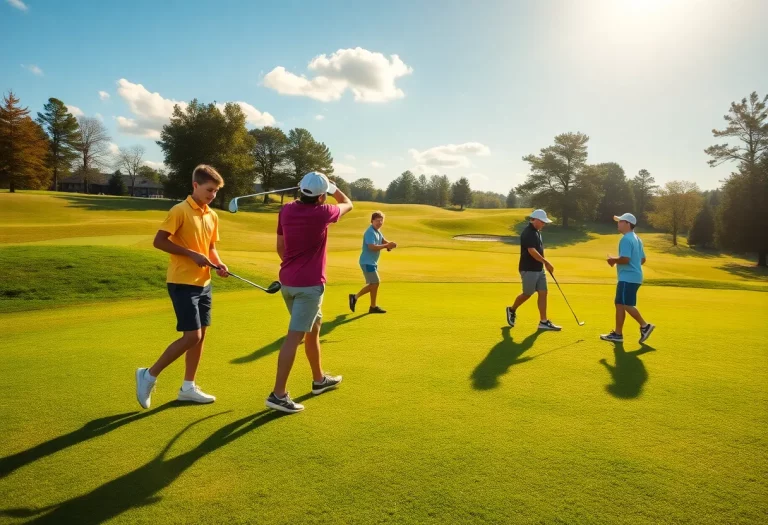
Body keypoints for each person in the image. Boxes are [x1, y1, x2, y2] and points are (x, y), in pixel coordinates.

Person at [135, 165, 229, 409]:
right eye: (209, 190)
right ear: (195, 186)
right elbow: (159, 241)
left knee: (201, 336)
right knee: (192, 337)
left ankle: (188, 387)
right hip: (182, 282)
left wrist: (218, 264)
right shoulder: (180, 210)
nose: (213, 195)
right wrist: (190, 254)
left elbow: (210, 247)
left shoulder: (212, 215)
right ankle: (149, 375)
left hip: (204, 283)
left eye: (216, 191)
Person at [266, 171, 354, 414]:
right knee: (294, 337)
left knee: (314, 329)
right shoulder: (323, 213)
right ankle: (278, 394)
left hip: (288, 282)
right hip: (309, 286)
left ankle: (319, 380)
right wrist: (334, 188)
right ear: (321, 197)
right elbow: (348, 204)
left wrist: (294, 269)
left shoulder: (286, 211)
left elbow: (280, 247)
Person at [601, 213, 655, 344]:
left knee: (626, 304)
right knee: (619, 304)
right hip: (632, 277)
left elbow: (625, 259)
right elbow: (642, 259)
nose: (618, 224)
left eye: (620, 221)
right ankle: (618, 334)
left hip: (628, 278)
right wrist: (632, 266)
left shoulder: (626, 239)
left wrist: (613, 260)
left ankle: (645, 326)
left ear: (628, 224)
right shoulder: (637, 238)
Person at [506, 209, 561, 331]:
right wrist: (546, 262)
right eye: (542, 221)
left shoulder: (537, 232)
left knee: (543, 292)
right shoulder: (528, 233)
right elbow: (532, 251)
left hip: (538, 269)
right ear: (534, 220)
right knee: (527, 293)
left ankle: (543, 321)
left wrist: (543, 265)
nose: (544, 224)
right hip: (528, 269)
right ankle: (512, 309)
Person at [349, 211, 396, 314]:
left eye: (381, 220)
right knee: (375, 283)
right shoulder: (370, 232)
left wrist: (390, 244)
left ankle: (372, 306)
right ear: (372, 221)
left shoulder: (377, 231)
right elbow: (372, 247)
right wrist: (386, 246)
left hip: (371, 262)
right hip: (367, 262)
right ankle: (355, 297)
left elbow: (383, 241)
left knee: (374, 284)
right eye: (377, 220)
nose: (379, 222)